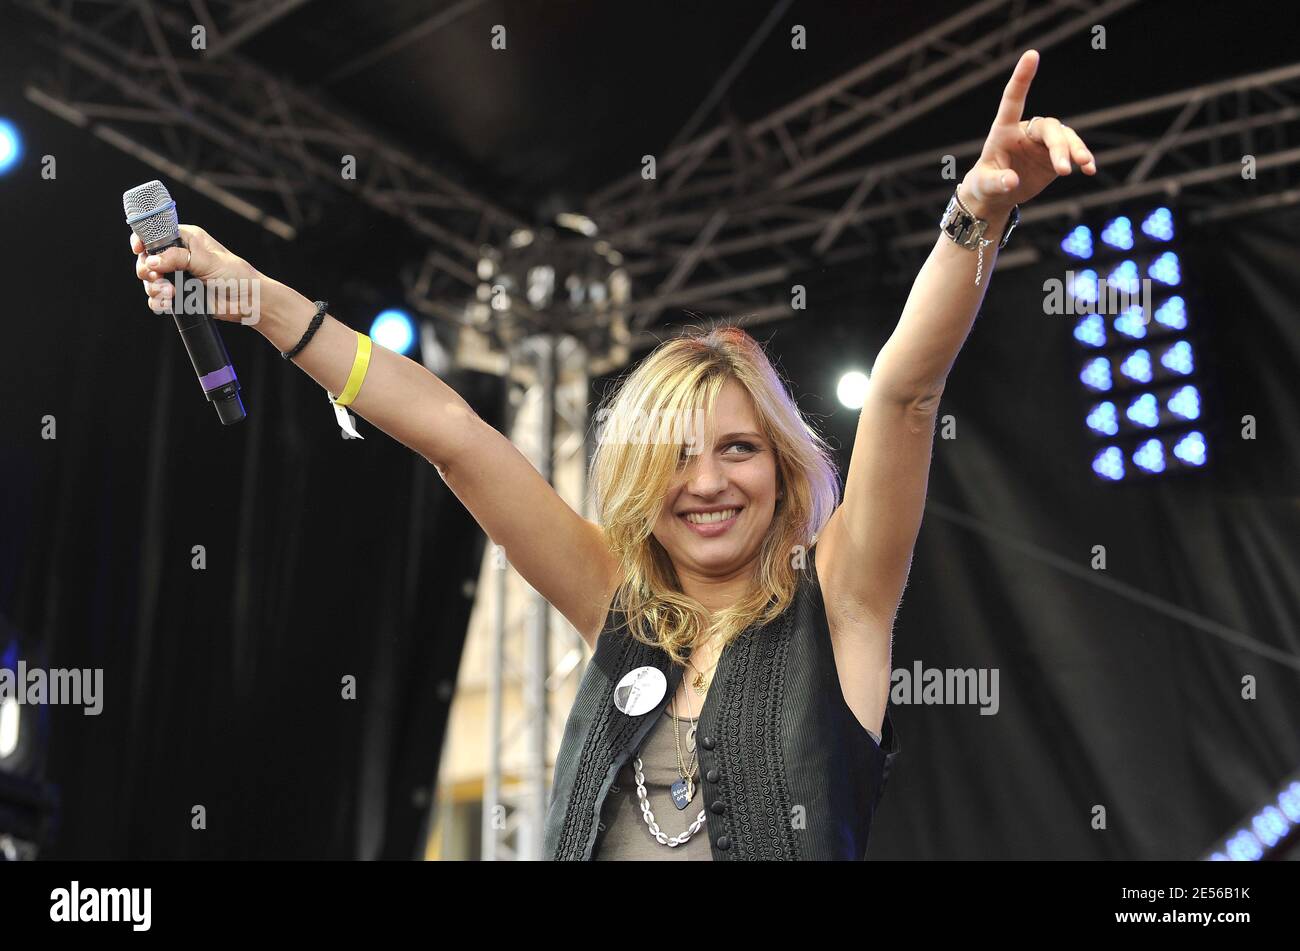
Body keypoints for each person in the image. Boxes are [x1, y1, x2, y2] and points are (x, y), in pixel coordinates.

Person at [130, 49, 1094, 860]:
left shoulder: (841, 606)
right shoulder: (614, 607)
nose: (707, 480)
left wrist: (976, 215)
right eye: (676, 456)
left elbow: (904, 391)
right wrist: (252, 295)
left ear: (785, 469)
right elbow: (453, 437)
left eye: (737, 449)